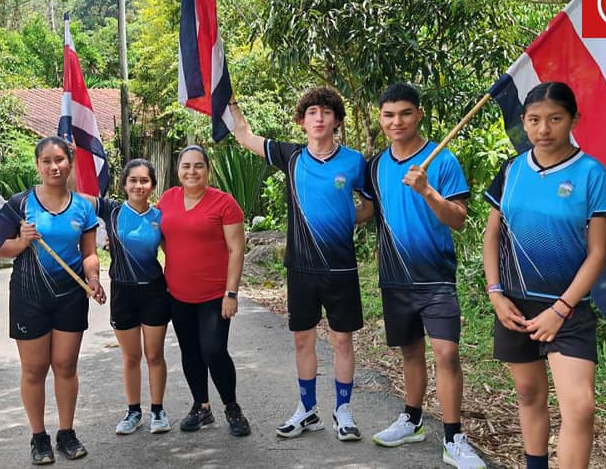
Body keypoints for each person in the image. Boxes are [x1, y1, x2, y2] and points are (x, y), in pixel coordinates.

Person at [483, 82, 606, 469]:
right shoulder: (511, 169)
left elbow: (598, 253)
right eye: (535, 120)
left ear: (574, 119)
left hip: (568, 309)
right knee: (527, 393)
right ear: (523, 123)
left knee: (580, 407)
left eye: (555, 119)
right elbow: (493, 233)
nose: (544, 129)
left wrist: (561, 308)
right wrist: (494, 292)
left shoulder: (592, 173)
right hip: (514, 304)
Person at [358, 83, 486, 468]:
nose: (396, 122)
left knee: (446, 353)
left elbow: (459, 220)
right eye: (388, 114)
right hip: (394, 278)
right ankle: (411, 420)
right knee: (410, 352)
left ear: (419, 114)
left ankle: (453, 438)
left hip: (436, 278)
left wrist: (427, 191)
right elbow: (368, 212)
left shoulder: (441, 158)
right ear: (380, 118)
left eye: (405, 113)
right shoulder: (376, 165)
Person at [230, 88, 368, 441]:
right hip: (302, 270)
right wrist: (230, 102)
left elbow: (370, 206)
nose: (318, 118)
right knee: (302, 341)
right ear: (302, 121)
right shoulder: (291, 157)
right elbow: (244, 135)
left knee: (342, 341)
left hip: (341, 270)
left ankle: (343, 411)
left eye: (325, 112)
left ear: (337, 119)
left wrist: (345, 217)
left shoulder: (354, 162)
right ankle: (307, 410)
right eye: (311, 112)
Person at [0, 136, 106, 465]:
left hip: (70, 296)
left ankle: (67, 434)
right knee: (34, 369)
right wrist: (21, 242)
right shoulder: (20, 204)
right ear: (37, 165)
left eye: (59, 160)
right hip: (28, 295)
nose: (54, 166)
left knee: (65, 366)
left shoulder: (83, 208)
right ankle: (39, 437)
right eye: (47, 161)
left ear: (70, 163)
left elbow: (89, 253)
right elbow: (0, 249)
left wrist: (94, 278)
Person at [157, 145, 251, 437]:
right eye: (186, 166)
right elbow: (159, 237)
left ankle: (232, 408)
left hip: (214, 296)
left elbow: (237, 250)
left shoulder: (224, 203)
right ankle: (202, 407)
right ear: (178, 170)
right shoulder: (167, 199)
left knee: (214, 350)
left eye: (198, 166)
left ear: (207, 170)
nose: (192, 171)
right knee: (190, 352)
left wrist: (231, 293)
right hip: (177, 293)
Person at [78, 159, 171, 435]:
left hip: (154, 291)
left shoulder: (160, 216)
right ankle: (133, 412)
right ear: (124, 184)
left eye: (144, 180)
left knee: (154, 355)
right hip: (122, 292)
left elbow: (178, 251)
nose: (138, 186)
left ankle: (158, 410)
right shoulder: (112, 210)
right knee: (131, 357)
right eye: (133, 180)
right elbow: (72, 196)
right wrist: (72, 160)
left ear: (152, 185)